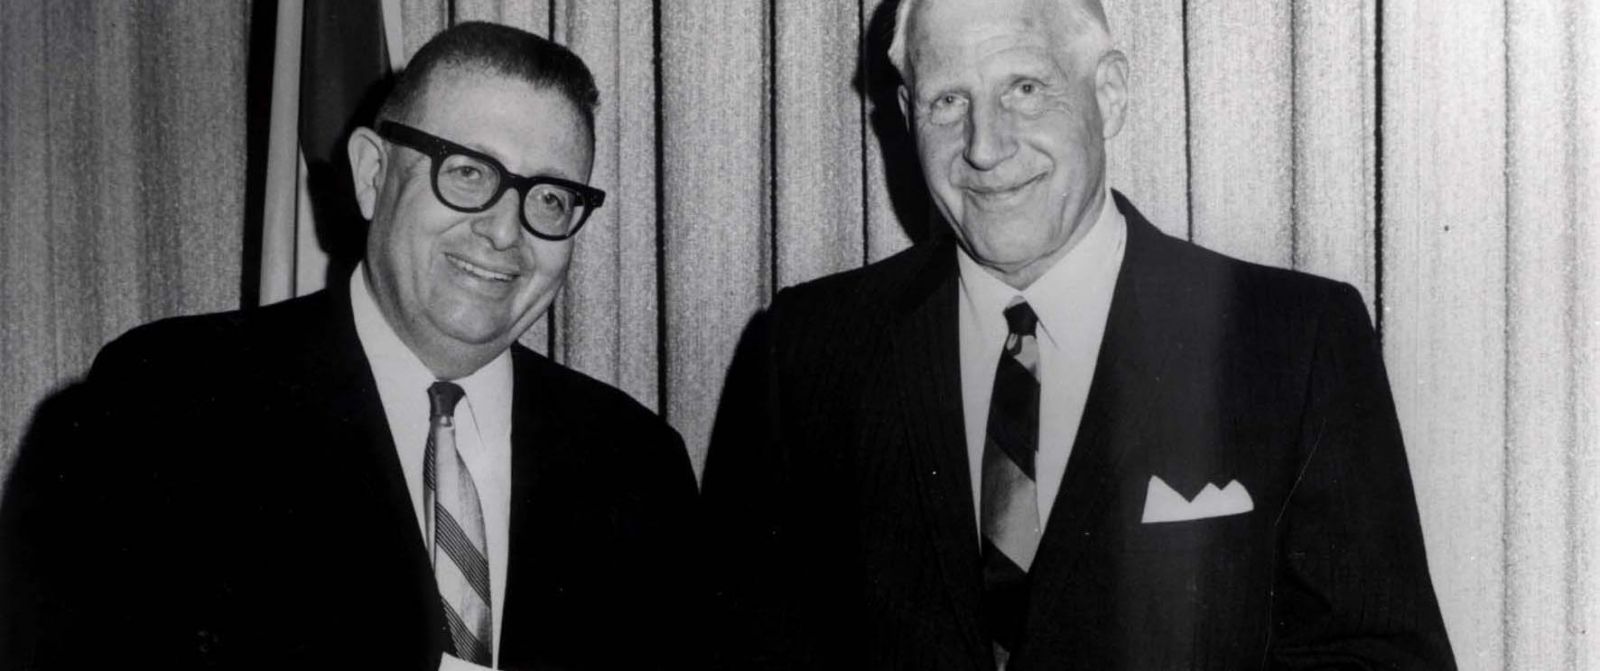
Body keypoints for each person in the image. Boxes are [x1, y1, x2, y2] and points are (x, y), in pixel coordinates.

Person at [703, 0, 1455, 668]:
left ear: (1109, 94)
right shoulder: (807, 349)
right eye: (948, 101)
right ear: (906, 114)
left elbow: (1377, 657)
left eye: (1025, 89)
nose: (985, 146)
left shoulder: (1293, 340)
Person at [0, 22, 698, 670]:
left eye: (549, 198)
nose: (503, 231)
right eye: (467, 172)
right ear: (371, 175)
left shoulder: (636, 463)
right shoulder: (169, 402)